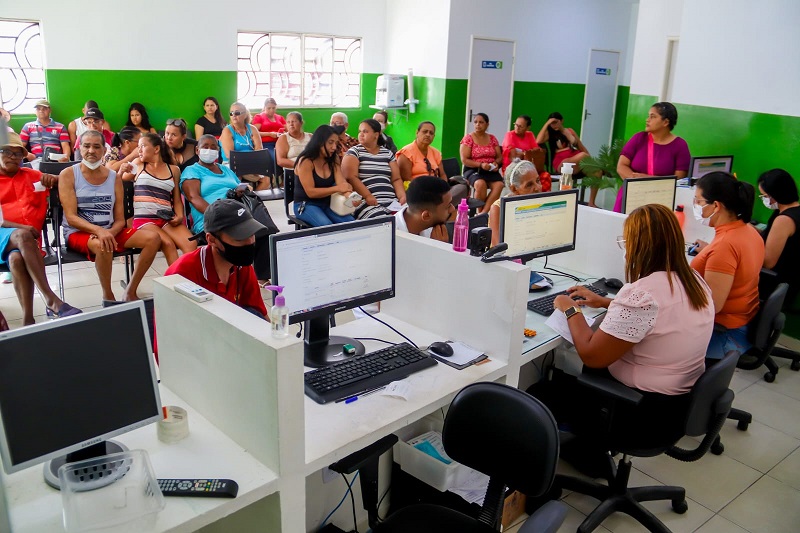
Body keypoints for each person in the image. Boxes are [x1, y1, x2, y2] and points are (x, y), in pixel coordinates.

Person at [549, 203, 714, 451]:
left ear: (639, 247)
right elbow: (663, 314)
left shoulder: (643, 294)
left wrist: (569, 307)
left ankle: (585, 451)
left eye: (627, 242)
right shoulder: (694, 280)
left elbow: (591, 354)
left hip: (640, 413)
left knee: (547, 388)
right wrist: (607, 302)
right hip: (677, 405)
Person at [59, 130, 161, 302]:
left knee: (153, 239)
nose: (91, 150)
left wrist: (109, 232)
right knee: (102, 245)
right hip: (78, 232)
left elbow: (120, 219)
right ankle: (108, 295)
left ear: (104, 151)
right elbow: (71, 217)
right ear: (80, 148)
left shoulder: (113, 177)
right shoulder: (69, 174)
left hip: (109, 230)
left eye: (96, 146)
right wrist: (100, 232)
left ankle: (130, 290)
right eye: (87, 146)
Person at [0, 133, 81, 324]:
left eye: (18, 154)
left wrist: (53, 177)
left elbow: (67, 181)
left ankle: (28, 320)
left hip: (27, 246)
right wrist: (23, 227)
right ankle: (52, 299)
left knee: (16, 258)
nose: (13, 157)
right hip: (9, 236)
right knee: (22, 234)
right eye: (7, 152)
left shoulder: (31, 175)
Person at [690, 172, 764, 360]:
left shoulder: (725, 246)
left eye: (698, 201)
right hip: (744, 319)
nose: (695, 206)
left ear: (716, 205)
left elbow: (713, 305)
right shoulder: (749, 230)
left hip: (725, 332)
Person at [182, 135, 276, 283]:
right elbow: (194, 198)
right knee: (239, 236)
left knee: (265, 229)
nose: (210, 150)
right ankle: (236, 276)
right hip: (213, 216)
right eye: (205, 146)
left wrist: (241, 190)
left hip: (237, 211)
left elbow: (239, 185)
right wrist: (218, 215)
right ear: (197, 150)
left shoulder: (225, 170)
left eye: (214, 147)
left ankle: (261, 276)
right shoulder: (192, 171)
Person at [165, 199, 269, 319]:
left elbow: (261, 315)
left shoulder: (242, 267)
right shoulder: (182, 273)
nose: (249, 242)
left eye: (251, 234)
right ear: (212, 240)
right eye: (239, 238)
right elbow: (170, 328)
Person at [124, 133, 195, 265]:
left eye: (143, 146)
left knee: (191, 243)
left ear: (156, 149)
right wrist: (123, 167)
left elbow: (176, 199)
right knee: (168, 244)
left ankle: (189, 280)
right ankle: (174, 281)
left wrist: (179, 216)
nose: (138, 150)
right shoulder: (139, 164)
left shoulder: (173, 170)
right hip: (144, 220)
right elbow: (120, 180)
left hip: (166, 218)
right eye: (138, 146)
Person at [615, 102, 690, 212]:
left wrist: (647, 180)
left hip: (660, 203)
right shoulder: (639, 138)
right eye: (648, 116)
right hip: (631, 197)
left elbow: (679, 180)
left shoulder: (680, 145)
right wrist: (635, 179)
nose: (647, 120)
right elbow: (621, 166)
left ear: (665, 122)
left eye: (653, 117)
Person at [293, 124, 355, 227]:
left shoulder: (333, 158)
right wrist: (338, 188)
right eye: (330, 142)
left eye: (336, 143)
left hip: (327, 203)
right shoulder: (306, 161)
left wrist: (351, 196)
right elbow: (311, 192)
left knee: (351, 223)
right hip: (306, 204)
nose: (334, 147)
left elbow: (341, 182)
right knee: (327, 226)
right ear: (320, 142)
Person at [342, 119, 405, 220]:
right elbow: (351, 177)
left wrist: (402, 197)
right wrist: (367, 196)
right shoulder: (354, 152)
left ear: (376, 135)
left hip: (391, 201)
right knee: (384, 222)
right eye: (360, 131)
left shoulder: (387, 153)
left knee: (409, 216)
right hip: (367, 202)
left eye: (365, 131)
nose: (361, 134)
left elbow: (396, 179)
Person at [397, 121, 468, 207]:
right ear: (417, 132)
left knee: (462, 187)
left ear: (433, 137)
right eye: (424, 131)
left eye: (431, 133)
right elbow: (406, 180)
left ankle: (442, 205)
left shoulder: (436, 153)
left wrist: (443, 188)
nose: (428, 135)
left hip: (437, 190)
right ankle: (443, 206)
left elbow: (442, 175)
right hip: (418, 190)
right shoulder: (406, 153)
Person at [758, 168, 800, 304]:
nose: (764, 199)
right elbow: (770, 235)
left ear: (774, 195)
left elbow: (767, 263)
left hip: (776, 282)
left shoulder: (784, 220)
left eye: (764, 196)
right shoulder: (791, 210)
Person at [536, 112, 594, 204]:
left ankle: (591, 202)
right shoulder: (550, 134)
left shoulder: (569, 131)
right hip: (562, 162)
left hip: (575, 158)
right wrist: (547, 124)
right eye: (551, 123)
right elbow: (538, 140)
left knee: (596, 171)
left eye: (555, 122)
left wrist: (591, 161)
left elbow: (578, 145)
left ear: (561, 121)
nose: (553, 125)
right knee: (583, 155)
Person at [488, 160, 541, 246]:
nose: (537, 188)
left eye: (538, 181)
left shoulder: (540, 203)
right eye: (529, 185)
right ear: (514, 189)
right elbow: (496, 247)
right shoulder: (498, 208)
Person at [460, 113, 503, 214]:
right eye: (475, 122)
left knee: (499, 185)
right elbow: (464, 160)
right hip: (473, 169)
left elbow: (499, 156)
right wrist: (480, 165)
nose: (478, 125)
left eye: (481, 122)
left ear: (487, 124)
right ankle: (479, 211)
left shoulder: (492, 138)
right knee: (480, 184)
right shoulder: (468, 138)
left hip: (490, 169)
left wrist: (496, 163)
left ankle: (483, 213)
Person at [220, 102, 266, 188]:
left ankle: (253, 199)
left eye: (237, 113)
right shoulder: (227, 130)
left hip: (251, 162)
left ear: (245, 115)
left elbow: (259, 149)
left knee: (266, 179)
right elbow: (229, 155)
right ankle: (243, 198)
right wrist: (249, 161)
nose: (233, 115)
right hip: (231, 163)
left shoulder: (252, 129)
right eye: (231, 113)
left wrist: (253, 163)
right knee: (237, 177)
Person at [394, 176, 453, 242]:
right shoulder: (389, 238)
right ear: (426, 216)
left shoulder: (435, 231)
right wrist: (437, 248)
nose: (452, 209)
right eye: (448, 207)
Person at [251, 97, 285, 169]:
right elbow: (253, 133)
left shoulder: (280, 118)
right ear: (264, 107)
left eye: (273, 108)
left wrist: (283, 133)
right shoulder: (259, 117)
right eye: (269, 108)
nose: (271, 110)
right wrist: (269, 134)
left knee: (288, 158)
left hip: (281, 143)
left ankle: (285, 177)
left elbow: (288, 130)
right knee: (275, 158)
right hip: (266, 144)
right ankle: (274, 177)